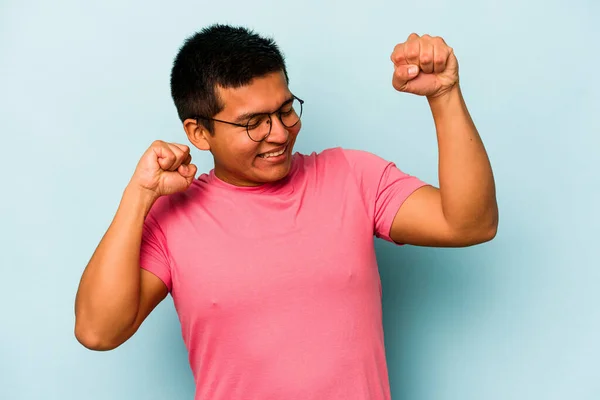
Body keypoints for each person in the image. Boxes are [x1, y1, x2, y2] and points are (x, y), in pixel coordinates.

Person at [74, 24, 498, 400]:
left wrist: (444, 95)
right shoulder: (173, 220)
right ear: (199, 132)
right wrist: (139, 195)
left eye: (285, 110)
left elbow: (470, 223)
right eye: (253, 123)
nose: (279, 133)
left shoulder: (352, 176)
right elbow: (98, 331)